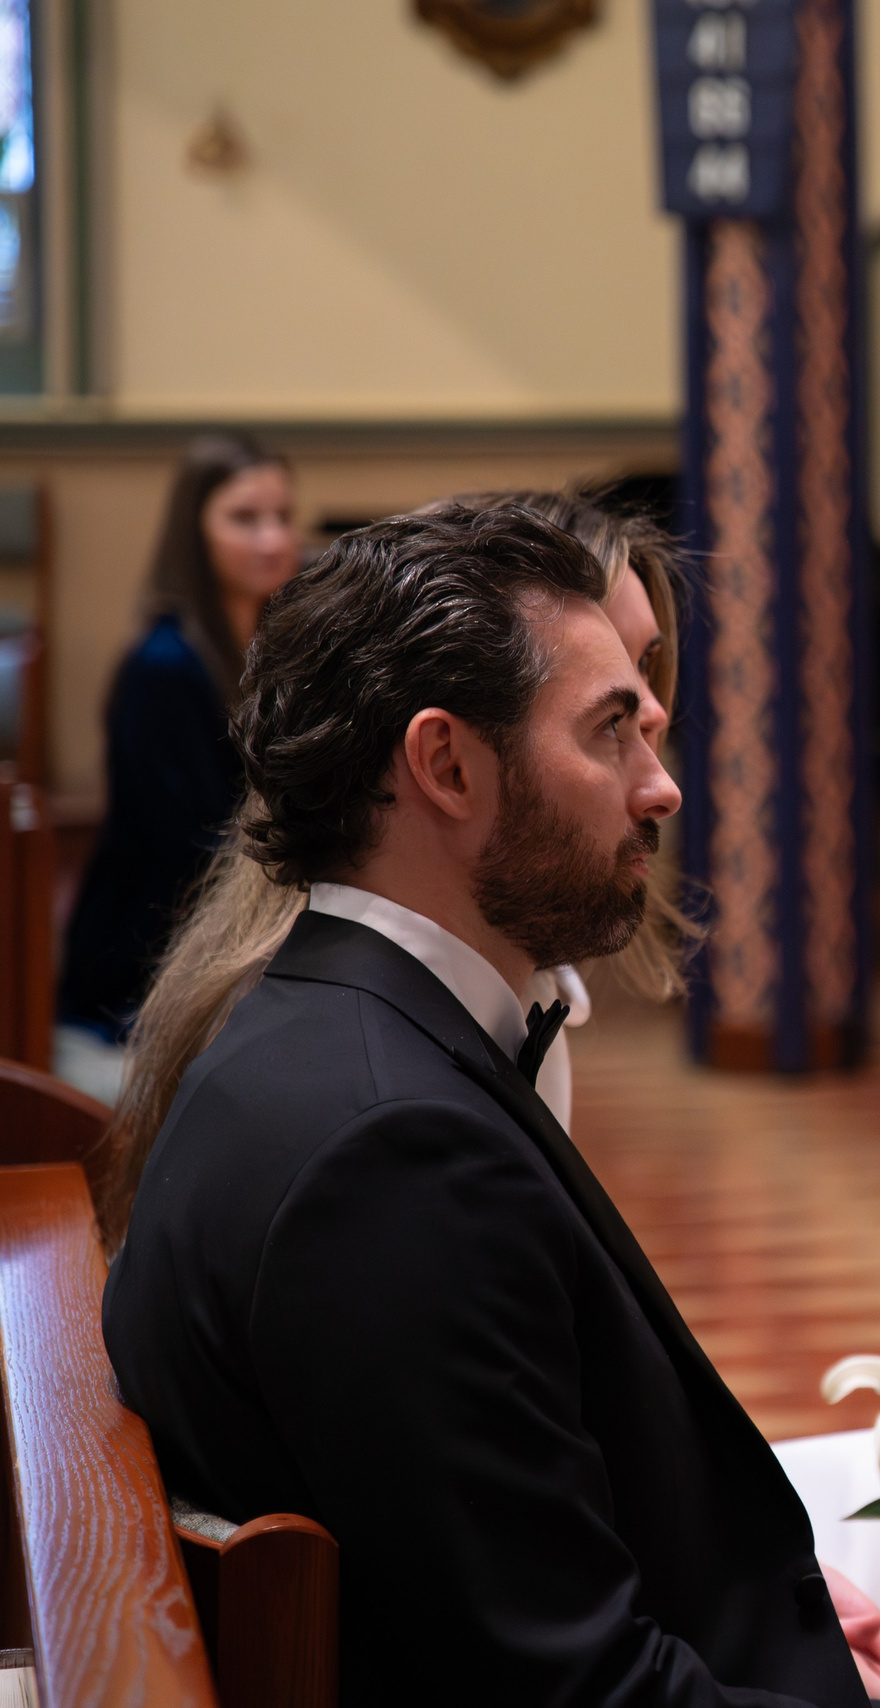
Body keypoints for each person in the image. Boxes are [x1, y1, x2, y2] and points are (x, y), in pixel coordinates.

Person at [103, 503, 880, 1705]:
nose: (663, 789)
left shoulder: (330, 1030)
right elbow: (574, 1688)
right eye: (611, 733)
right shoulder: (393, 1155)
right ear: (445, 765)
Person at [88, 489, 691, 1247]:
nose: (654, 714)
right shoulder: (385, 1113)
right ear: (448, 764)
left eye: (648, 665)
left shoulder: (472, 1006)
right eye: (611, 705)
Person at [54, 433, 297, 1101]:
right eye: (245, 518)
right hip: (143, 975)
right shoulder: (162, 666)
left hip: (230, 942)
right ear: (195, 531)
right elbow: (192, 848)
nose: (273, 537)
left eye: (282, 515)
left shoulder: (273, 649)